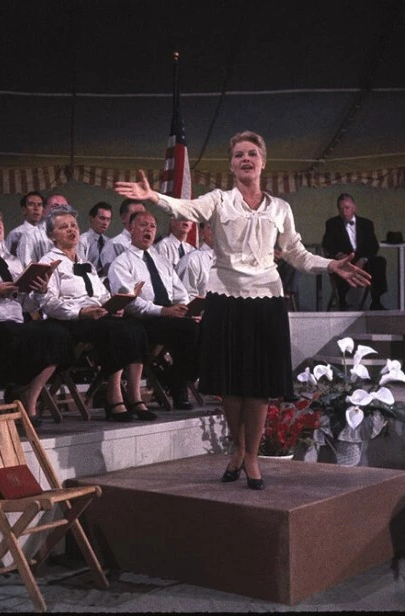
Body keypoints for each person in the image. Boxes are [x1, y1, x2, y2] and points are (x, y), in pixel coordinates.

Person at [114, 130, 370, 489]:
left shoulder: (280, 208)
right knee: (230, 383)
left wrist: (331, 265)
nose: (245, 159)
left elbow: (296, 253)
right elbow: (187, 209)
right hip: (225, 298)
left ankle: (252, 456)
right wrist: (153, 196)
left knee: (260, 384)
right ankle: (237, 447)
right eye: (238, 155)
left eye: (252, 153)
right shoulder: (219, 200)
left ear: (263, 162)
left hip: (266, 300)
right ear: (231, 165)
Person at [0, 201, 74, 426]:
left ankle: (30, 394)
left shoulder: (11, 260)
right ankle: (23, 393)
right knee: (22, 336)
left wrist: (39, 291)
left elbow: (26, 305)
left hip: (17, 323)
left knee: (59, 334)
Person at [39, 207, 151, 422]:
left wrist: (115, 304)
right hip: (71, 319)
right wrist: (81, 312)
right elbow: (49, 303)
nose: (71, 230)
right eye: (64, 227)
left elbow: (102, 294)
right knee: (116, 331)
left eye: (74, 226)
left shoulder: (85, 263)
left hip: (97, 315)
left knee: (136, 327)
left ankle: (135, 395)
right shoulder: (48, 263)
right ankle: (113, 396)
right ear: (52, 235)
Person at [108, 210, 200, 410]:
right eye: (143, 225)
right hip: (142, 319)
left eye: (152, 226)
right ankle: (176, 383)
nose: (148, 230)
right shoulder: (122, 263)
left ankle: (177, 378)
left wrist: (187, 309)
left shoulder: (162, 261)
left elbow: (180, 293)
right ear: (131, 229)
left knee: (206, 329)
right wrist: (163, 311)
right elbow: (129, 302)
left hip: (169, 316)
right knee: (190, 331)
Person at [322, 193, 387, 310]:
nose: (344, 212)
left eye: (347, 208)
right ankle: (342, 301)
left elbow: (373, 245)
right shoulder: (332, 223)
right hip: (344, 260)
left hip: (363, 261)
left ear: (354, 208)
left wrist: (363, 259)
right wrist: (339, 255)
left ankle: (376, 301)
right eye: (341, 209)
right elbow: (327, 243)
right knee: (338, 266)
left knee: (379, 262)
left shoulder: (366, 224)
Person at [176, 222, 216, 301]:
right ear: (201, 233)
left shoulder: (232, 262)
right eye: (211, 228)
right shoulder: (192, 260)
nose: (217, 231)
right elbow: (186, 299)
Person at [79, 201, 118, 278]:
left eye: (108, 220)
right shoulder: (82, 240)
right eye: (102, 218)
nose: (105, 223)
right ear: (91, 218)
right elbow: (81, 267)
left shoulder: (109, 243)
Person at [5, 190, 45, 258]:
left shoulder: (46, 233)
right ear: (24, 210)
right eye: (31, 204)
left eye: (39, 205)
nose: (36, 208)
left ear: (43, 210)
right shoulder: (16, 234)